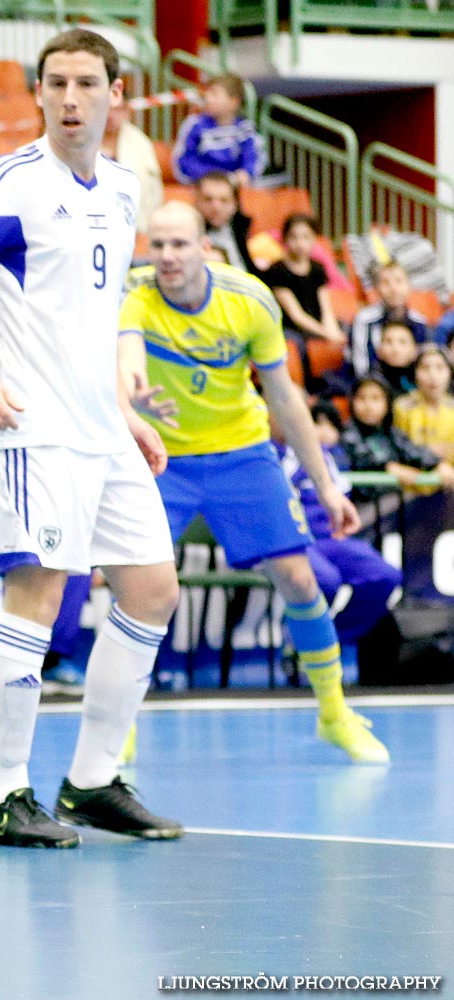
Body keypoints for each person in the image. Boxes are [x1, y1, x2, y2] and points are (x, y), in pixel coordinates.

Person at [0, 29, 184, 847]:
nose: (71, 99)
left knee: (153, 589)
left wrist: (125, 410)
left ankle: (93, 780)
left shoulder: (125, 189)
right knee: (41, 590)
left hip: (102, 427)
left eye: (87, 84)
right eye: (56, 83)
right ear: (38, 93)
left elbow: (92, 317)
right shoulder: (9, 181)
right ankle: (4, 794)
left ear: (116, 96)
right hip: (30, 428)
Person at [120, 200, 388, 764]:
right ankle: (119, 728)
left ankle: (334, 713)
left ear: (205, 249)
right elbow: (122, 356)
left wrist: (327, 486)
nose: (166, 256)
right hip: (158, 458)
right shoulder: (133, 295)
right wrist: (128, 396)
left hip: (242, 454)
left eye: (179, 244)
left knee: (298, 579)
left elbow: (285, 399)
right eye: (158, 244)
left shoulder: (249, 300)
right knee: (141, 594)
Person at [276, 407, 401, 646]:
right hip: (292, 541)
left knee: (384, 576)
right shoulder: (271, 455)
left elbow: (350, 483)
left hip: (331, 537)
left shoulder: (330, 455)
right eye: (314, 423)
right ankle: (301, 640)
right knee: (326, 580)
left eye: (326, 425)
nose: (318, 431)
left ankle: (331, 640)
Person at [341, 375, 454, 492]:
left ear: (387, 403)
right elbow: (363, 457)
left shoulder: (391, 432)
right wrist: (389, 467)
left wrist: (437, 464)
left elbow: (413, 451)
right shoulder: (348, 434)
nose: (368, 406)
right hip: (363, 504)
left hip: (392, 502)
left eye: (376, 398)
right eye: (361, 398)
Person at [264, 213, 345, 354]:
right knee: (298, 346)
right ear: (285, 239)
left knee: (348, 330)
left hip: (316, 320)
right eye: (293, 237)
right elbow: (296, 315)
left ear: (314, 239)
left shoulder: (317, 268)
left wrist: (333, 330)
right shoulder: (277, 270)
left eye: (306, 237)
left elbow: (325, 308)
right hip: (291, 327)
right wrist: (327, 334)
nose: (300, 244)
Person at [171, 73, 262, 187]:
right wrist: (214, 178)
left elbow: (254, 160)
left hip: (234, 191)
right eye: (207, 93)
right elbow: (183, 162)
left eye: (215, 94)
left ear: (234, 102)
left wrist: (245, 174)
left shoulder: (245, 129)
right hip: (200, 188)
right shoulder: (194, 124)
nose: (208, 98)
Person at [351, 261, 432, 379]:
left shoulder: (419, 322)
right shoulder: (364, 320)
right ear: (376, 288)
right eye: (386, 283)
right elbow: (361, 365)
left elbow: (424, 361)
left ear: (409, 286)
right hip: (373, 383)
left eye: (399, 281)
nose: (393, 289)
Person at [100, 101, 161, 232]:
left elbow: (154, 189)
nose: (110, 115)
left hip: (137, 226)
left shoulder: (140, 143)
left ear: (128, 111)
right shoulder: (81, 142)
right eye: (105, 109)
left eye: (117, 110)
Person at [193, 171, 259, 278]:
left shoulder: (242, 227)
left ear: (235, 204)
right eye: (207, 199)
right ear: (196, 201)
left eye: (224, 200)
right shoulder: (186, 232)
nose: (216, 207)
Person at [394, 344, 454, 460]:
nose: (433, 376)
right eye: (425, 368)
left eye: (440, 368)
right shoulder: (402, 406)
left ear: (450, 373)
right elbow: (400, 448)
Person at [374, 320, 418, 395]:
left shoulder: (422, 380)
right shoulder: (372, 382)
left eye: (402, 342)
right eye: (388, 342)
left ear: (414, 350)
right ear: (379, 351)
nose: (395, 349)